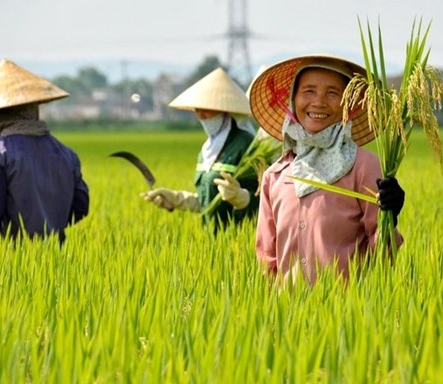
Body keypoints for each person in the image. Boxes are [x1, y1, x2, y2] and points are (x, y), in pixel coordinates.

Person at [248, 54, 406, 285]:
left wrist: (390, 219)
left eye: (333, 93)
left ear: (349, 105)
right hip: (287, 314)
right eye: (308, 91)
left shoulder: (362, 166)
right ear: (292, 99)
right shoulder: (275, 175)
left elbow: (383, 254)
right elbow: (267, 259)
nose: (319, 102)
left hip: (346, 313)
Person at [0, 59, 89, 243]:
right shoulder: (66, 154)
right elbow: (80, 207)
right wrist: (47, 227)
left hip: (5, 262)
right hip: (57, 262)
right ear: (34, 109)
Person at [141, 67, 259, 229]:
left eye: (207, 109)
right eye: (197, 109)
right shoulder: (207, 150)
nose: (200, 115)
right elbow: (207, 201)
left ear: (224, 110)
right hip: (211, 240)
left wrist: (242, 198)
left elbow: (264, 198)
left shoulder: (245, 143)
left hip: (239, 238)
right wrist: (178, 200)